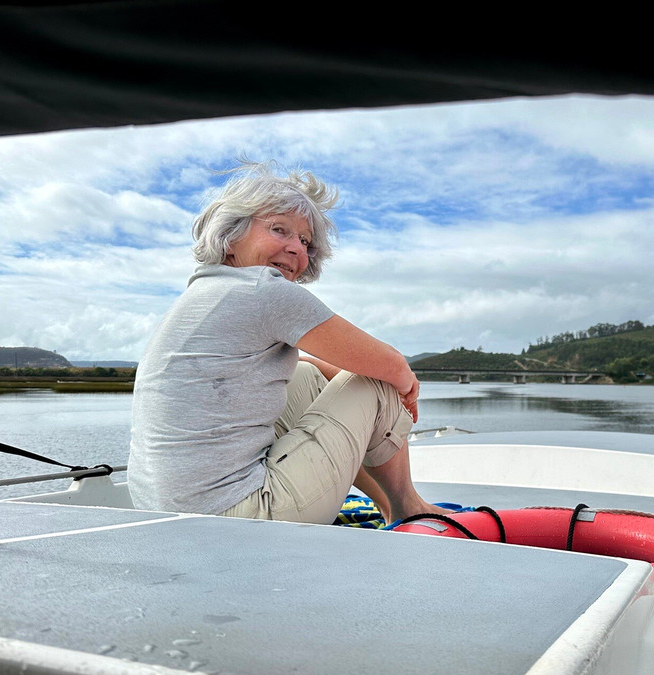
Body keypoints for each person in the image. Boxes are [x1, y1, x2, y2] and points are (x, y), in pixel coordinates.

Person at [128, 161, 442, 526]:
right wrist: (403, 392)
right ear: (231, 236)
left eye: (305, 241)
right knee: (377, 380)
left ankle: (388, 505)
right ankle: (408, 505)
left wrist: (360, 393)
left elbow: (315, 365)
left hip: (166, 514)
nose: (296, 249)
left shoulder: (205, 291)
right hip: (245, 519)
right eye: (280, 230)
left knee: (306, 374)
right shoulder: (262, 289)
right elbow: (391, 365)